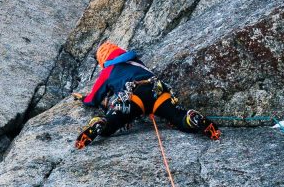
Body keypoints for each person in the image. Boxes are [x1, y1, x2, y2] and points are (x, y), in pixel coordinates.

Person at [74, 41, 221, 148]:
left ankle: (102, 123)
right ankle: (189, 118)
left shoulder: (107, 71)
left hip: (134, 96)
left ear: (103, 59)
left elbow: (93, 99)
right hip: (157, 90)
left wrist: (83, 98)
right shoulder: (136, 61)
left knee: (113, 123)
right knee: (177, 117)